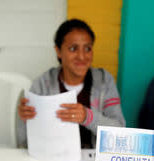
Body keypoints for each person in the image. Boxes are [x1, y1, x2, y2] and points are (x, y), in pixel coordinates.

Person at [18, 19, 125, 148]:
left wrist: (88, 117)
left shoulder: (104, 81)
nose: (82, 56)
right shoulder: (42, 84)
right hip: (54, 158)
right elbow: (23, 142)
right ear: (58, 51)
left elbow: (121, 132)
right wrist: (26, 121)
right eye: (73, 48)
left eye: (88, 48)